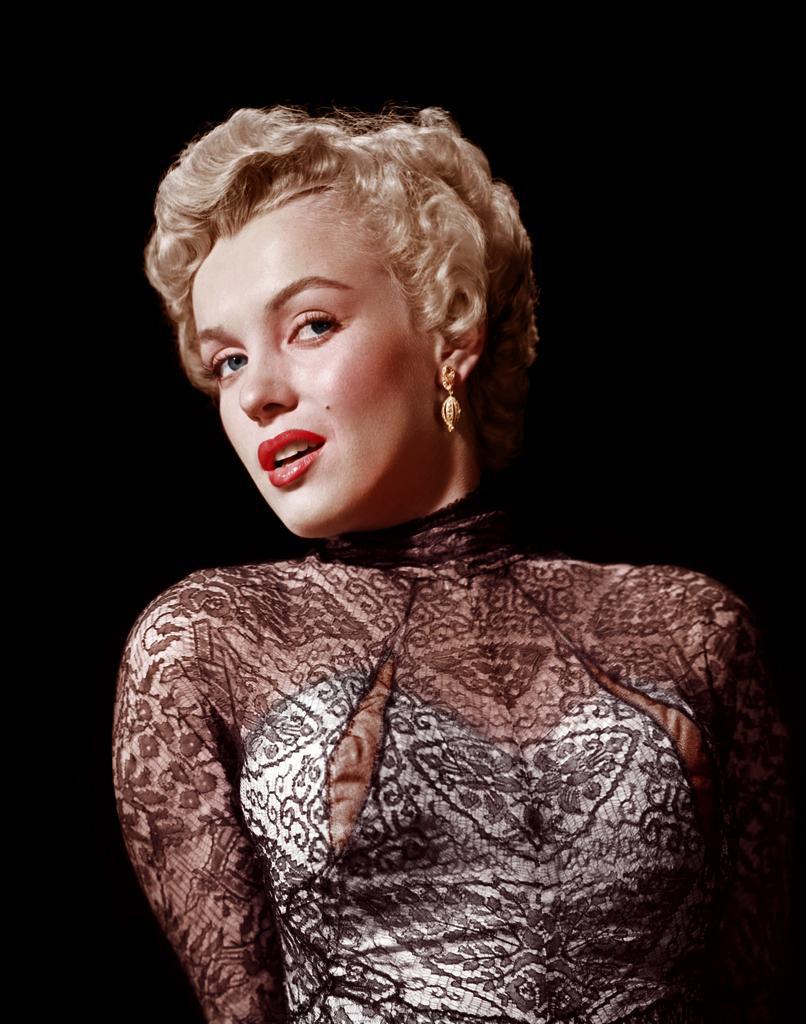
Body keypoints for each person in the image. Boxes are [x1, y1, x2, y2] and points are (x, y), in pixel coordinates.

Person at [111, 104, 794, 1024]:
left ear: (452, 330)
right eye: (227, 361)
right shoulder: (206, 643)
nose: (259, 394)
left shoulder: (695, 629)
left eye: (310, 325)